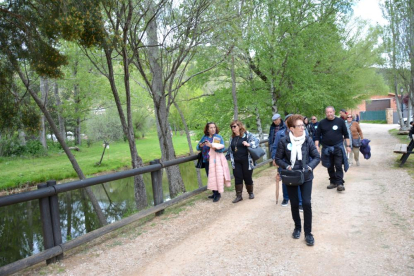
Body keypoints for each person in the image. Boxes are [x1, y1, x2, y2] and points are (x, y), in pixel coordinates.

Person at [275, 114, 320, 246]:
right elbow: (278, 159)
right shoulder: (284, 141)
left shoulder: (308, 140)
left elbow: (317, 157)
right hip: (291, 176)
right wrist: (286, 166)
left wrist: (309, 167)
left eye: (303, 125)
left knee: (306, 203)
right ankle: (297, 227)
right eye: (299, 126)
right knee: (294, 203)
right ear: (291, 128)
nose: (302, 127)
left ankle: (308, 233)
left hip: (306, 176)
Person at [314, 106, 351, 192]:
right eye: (327, 112)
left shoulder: (340, 121)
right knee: (329, 165)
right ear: (325, 113)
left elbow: (346, 135)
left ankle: (339, 183)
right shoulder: (322, 123)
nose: (329, 114)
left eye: (331, 112)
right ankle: (333, 182)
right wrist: (317, 146)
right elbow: (317, 136)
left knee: (338, 165)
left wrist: (348, 146)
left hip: (338, 147)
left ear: (334, 112)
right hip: (326, 148)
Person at [272, 114, 303, 210]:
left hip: (297, 161)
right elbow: (275, 147)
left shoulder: (301, 133)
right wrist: (274, 158)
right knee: (285, 179)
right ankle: (286, 198)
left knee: (298, 180)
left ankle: (300, 201)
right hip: (283, 160)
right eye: (287, 120)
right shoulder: (280, 134)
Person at [227, 120, 260, 203]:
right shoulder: (232, 137)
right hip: (236, 161)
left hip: (247, 161)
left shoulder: (247, 135)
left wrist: (249, 144)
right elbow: (230, 149)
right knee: (238, 177)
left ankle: (250, 193)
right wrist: (225, 158)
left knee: (247, 177)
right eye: (232, 127)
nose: (233, 128)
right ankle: (239, 196)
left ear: (239, 126)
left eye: (234, 126)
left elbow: (257, 141)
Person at [197, 122, 226, 201]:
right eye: (211, 128)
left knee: (216, 177)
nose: (213, 129)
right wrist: (200, 146)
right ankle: (214, 193)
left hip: (215, 161)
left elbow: (222, 149)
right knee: (210, 177)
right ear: (207, 129)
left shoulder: (218, 137)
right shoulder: (204, 137)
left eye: (214, 127)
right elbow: (197, 147)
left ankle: (217, 194)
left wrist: (212, 146)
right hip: (206, 161)